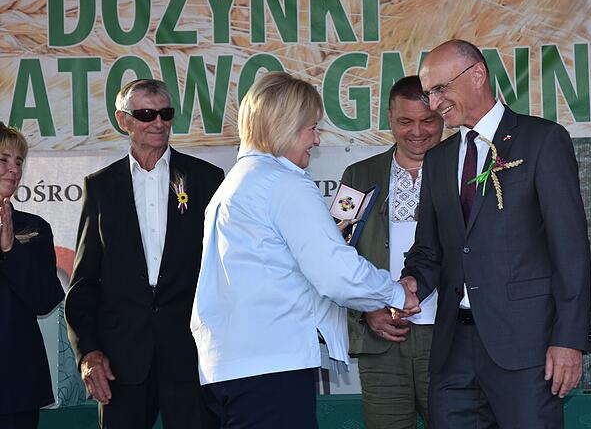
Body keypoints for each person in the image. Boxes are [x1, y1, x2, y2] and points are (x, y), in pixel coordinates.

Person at [191, 71, 420, 429]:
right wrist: (393, 292)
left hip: (231, 365)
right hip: (270, 364)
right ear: (285, 126)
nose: (316, 139)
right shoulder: (283, 182)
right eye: (311, 127)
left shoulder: (238, 181)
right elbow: (334, 271)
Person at [401, 39, 591, 428]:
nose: (434, 103)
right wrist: (406, 286)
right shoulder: (437, 159)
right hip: (453, 351)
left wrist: (569, 339)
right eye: (428, 93)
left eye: (440, 89)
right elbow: (428, 251)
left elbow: (570, 250)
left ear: (476, 75)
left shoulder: (542, 140)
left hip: (527, 349)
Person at [64, 79, 224, 429]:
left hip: (192, 357)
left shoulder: (206, 179)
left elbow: (225, 270)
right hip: (121, 363)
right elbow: (85, 281)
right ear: (124, 121)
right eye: (146, 113)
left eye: (165, 113)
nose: (158, 122)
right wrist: (89, 353)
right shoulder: (101, 187)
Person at [341, 76, 443, 429]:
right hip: (381, 339)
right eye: (405, 121)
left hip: (450, 339)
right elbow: (337, 255)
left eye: (427, 120)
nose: (417, 131)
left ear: (442, 116)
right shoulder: (358, 175)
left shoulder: (466, 173)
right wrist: (367, 309)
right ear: (389, 118)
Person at [0, 122, 65, 429]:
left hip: (17, 386)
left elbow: (46, 299)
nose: (13, 169)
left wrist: (12, 248)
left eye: (19, 162)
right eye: (4, 160)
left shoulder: (35, 226)